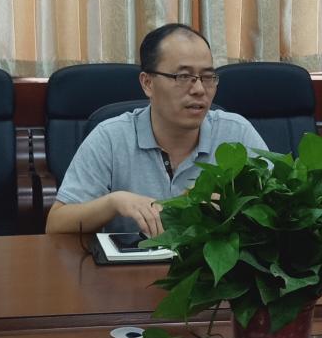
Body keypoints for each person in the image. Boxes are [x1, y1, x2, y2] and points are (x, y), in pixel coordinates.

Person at [45, 24, 266, 235]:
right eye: (183, 77)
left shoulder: (236, 133)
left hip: (211, 262)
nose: (199, 89)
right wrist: (113, 202)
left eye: (208, 77)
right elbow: (56, 225)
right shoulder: (111, 137)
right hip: (131, 262)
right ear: (147, 83)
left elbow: (279, 208)